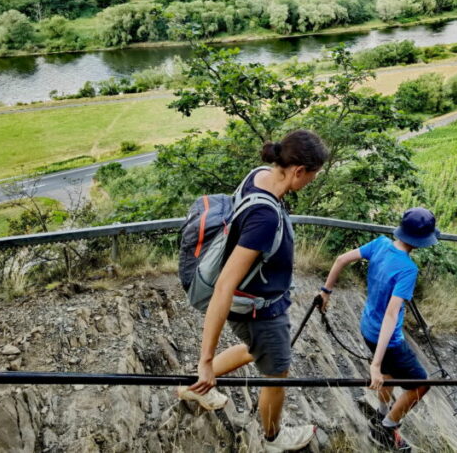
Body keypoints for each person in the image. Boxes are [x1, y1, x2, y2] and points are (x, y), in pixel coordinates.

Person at [182, 129, 329, 453]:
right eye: (312, 177)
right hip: (259, 310)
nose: (310, 182)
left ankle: (195, 386)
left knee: (256, 349)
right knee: (277, 373)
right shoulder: (264, 218)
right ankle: (273, 438)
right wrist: (205, 359)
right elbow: (224, 286)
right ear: (298, 171)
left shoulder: (260, 175)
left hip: (255, 304)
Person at [319, 207, 440, 451]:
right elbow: (392, 313)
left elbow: (341, 259)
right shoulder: (408, 269)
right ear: (421, 241)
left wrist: (326, 292)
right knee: (422, 384)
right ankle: (387, 427)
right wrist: (374, 364)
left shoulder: (380, 243)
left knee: (389, 375)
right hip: (389, 338)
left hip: (368, 327)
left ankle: (382, 411)